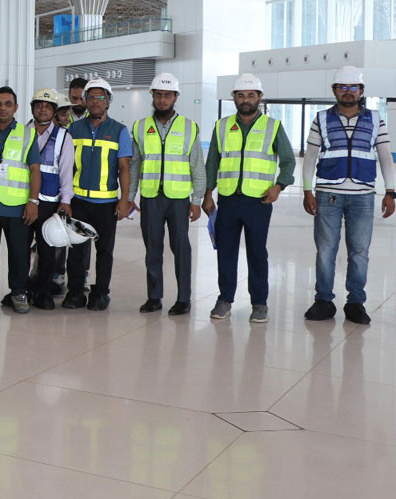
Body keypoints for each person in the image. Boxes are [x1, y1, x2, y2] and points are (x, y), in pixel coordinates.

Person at [302, 66, 393, 325]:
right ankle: (324, 300)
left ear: (361, 91)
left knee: (359, 252)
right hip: (327, 194)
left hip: (363, 196)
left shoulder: (376, 119)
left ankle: (355, 302)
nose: (348, 92)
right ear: (334, 91)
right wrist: (308, 190)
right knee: (325, 250)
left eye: (353, 87)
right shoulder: (321, 118)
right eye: (343, 87)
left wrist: (390, 192)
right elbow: (309, 158)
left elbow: (386, 158)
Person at [203, 73, 296, 324]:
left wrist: (279, 186)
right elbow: (212, 162)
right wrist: (208, 193)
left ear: (259, 98)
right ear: (234, 97)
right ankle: (224, 299)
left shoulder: (273, 126)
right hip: (229, 200)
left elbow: (288, 161)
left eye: (250, 95)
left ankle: (260, 303)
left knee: (257, 252)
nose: (245, 100)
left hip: (259, 201)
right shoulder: (222, 126)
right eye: (240, 95)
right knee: (226, 251)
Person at [128, 73, 204, 316]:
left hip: (179, 199)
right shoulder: (140, 127)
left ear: (176, 97)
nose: (162, 100)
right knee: (152, 249)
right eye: (159, 95)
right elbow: (135, 165)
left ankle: (184, 298)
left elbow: (197, 166)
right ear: (152, 95)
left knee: (181, 248)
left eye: (167, 95)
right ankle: (154, 297)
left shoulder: (189, 127)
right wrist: (130, 197)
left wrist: (196, 200)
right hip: (150, 198)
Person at [64, 77, 132, 312]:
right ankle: (75, 293)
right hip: (78, 201)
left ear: (108, 101)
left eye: (100, 97)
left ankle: (101, 293)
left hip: (106, 202)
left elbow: (124, 167)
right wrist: (66, 200)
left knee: (104, 251)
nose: (95, 102)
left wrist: (124, 201)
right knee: (76, 250)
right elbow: (66, 166)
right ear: (84, 101)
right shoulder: (74, 129)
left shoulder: (119, 131)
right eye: (90, 97)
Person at [0, 87, 42, 314]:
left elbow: (35, 169)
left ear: (16, 107)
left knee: (19, 253)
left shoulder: (27, 133)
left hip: (18, 206)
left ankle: (19, 292)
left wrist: (33, 201)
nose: (3, 108)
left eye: (8, 104)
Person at [25, 88, 73, 310]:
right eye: (38, 105)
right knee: (21, 248)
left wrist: (65, 201)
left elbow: (65, 171)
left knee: (47, 249)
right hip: (23, 199)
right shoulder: (22, 132)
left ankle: (43, 291)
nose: (42, 109)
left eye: (47, 106)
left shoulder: (64, 136)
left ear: (53, 111)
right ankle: (21, 290)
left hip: (49, 201)